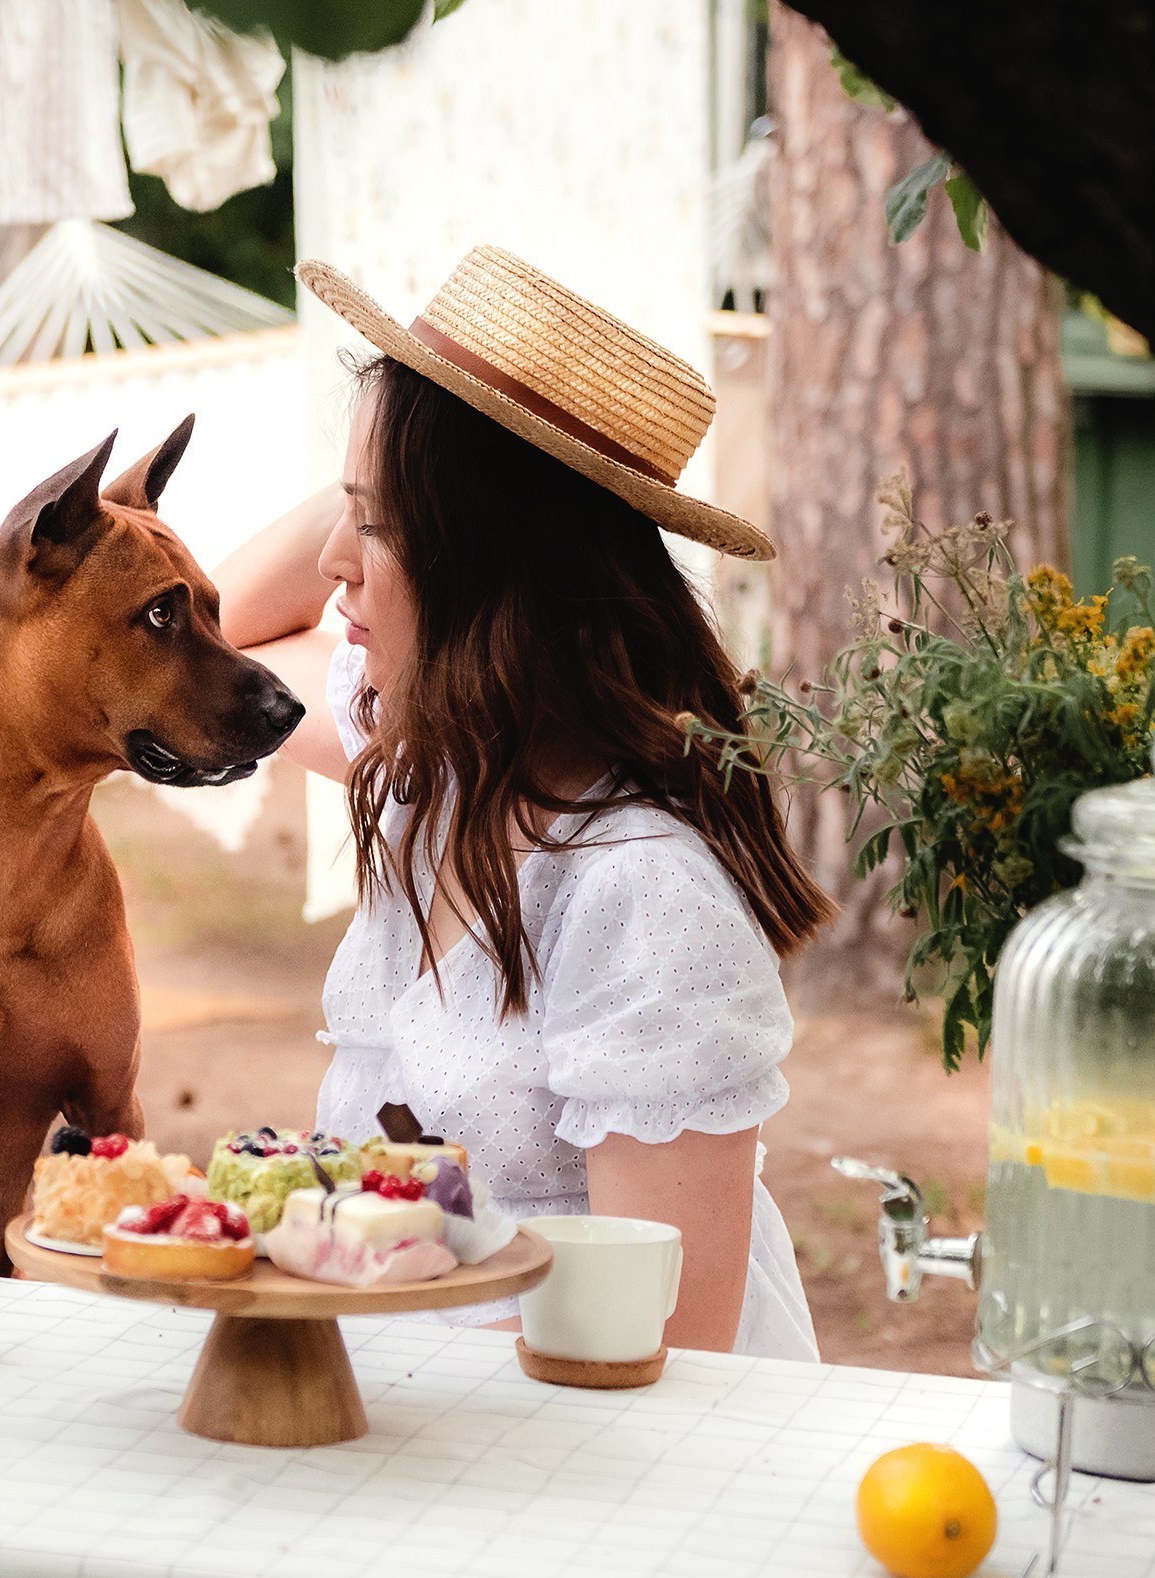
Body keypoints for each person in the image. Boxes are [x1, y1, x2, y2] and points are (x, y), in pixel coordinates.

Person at [215, 247, 833, 1355]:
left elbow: (666, 1351)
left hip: (582, 1476)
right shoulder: (431, 774)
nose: (331, 564)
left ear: (493, 564)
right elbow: (233, 633)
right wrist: (399, 439)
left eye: (379, 529)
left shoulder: (642, 895)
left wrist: (435, 456)